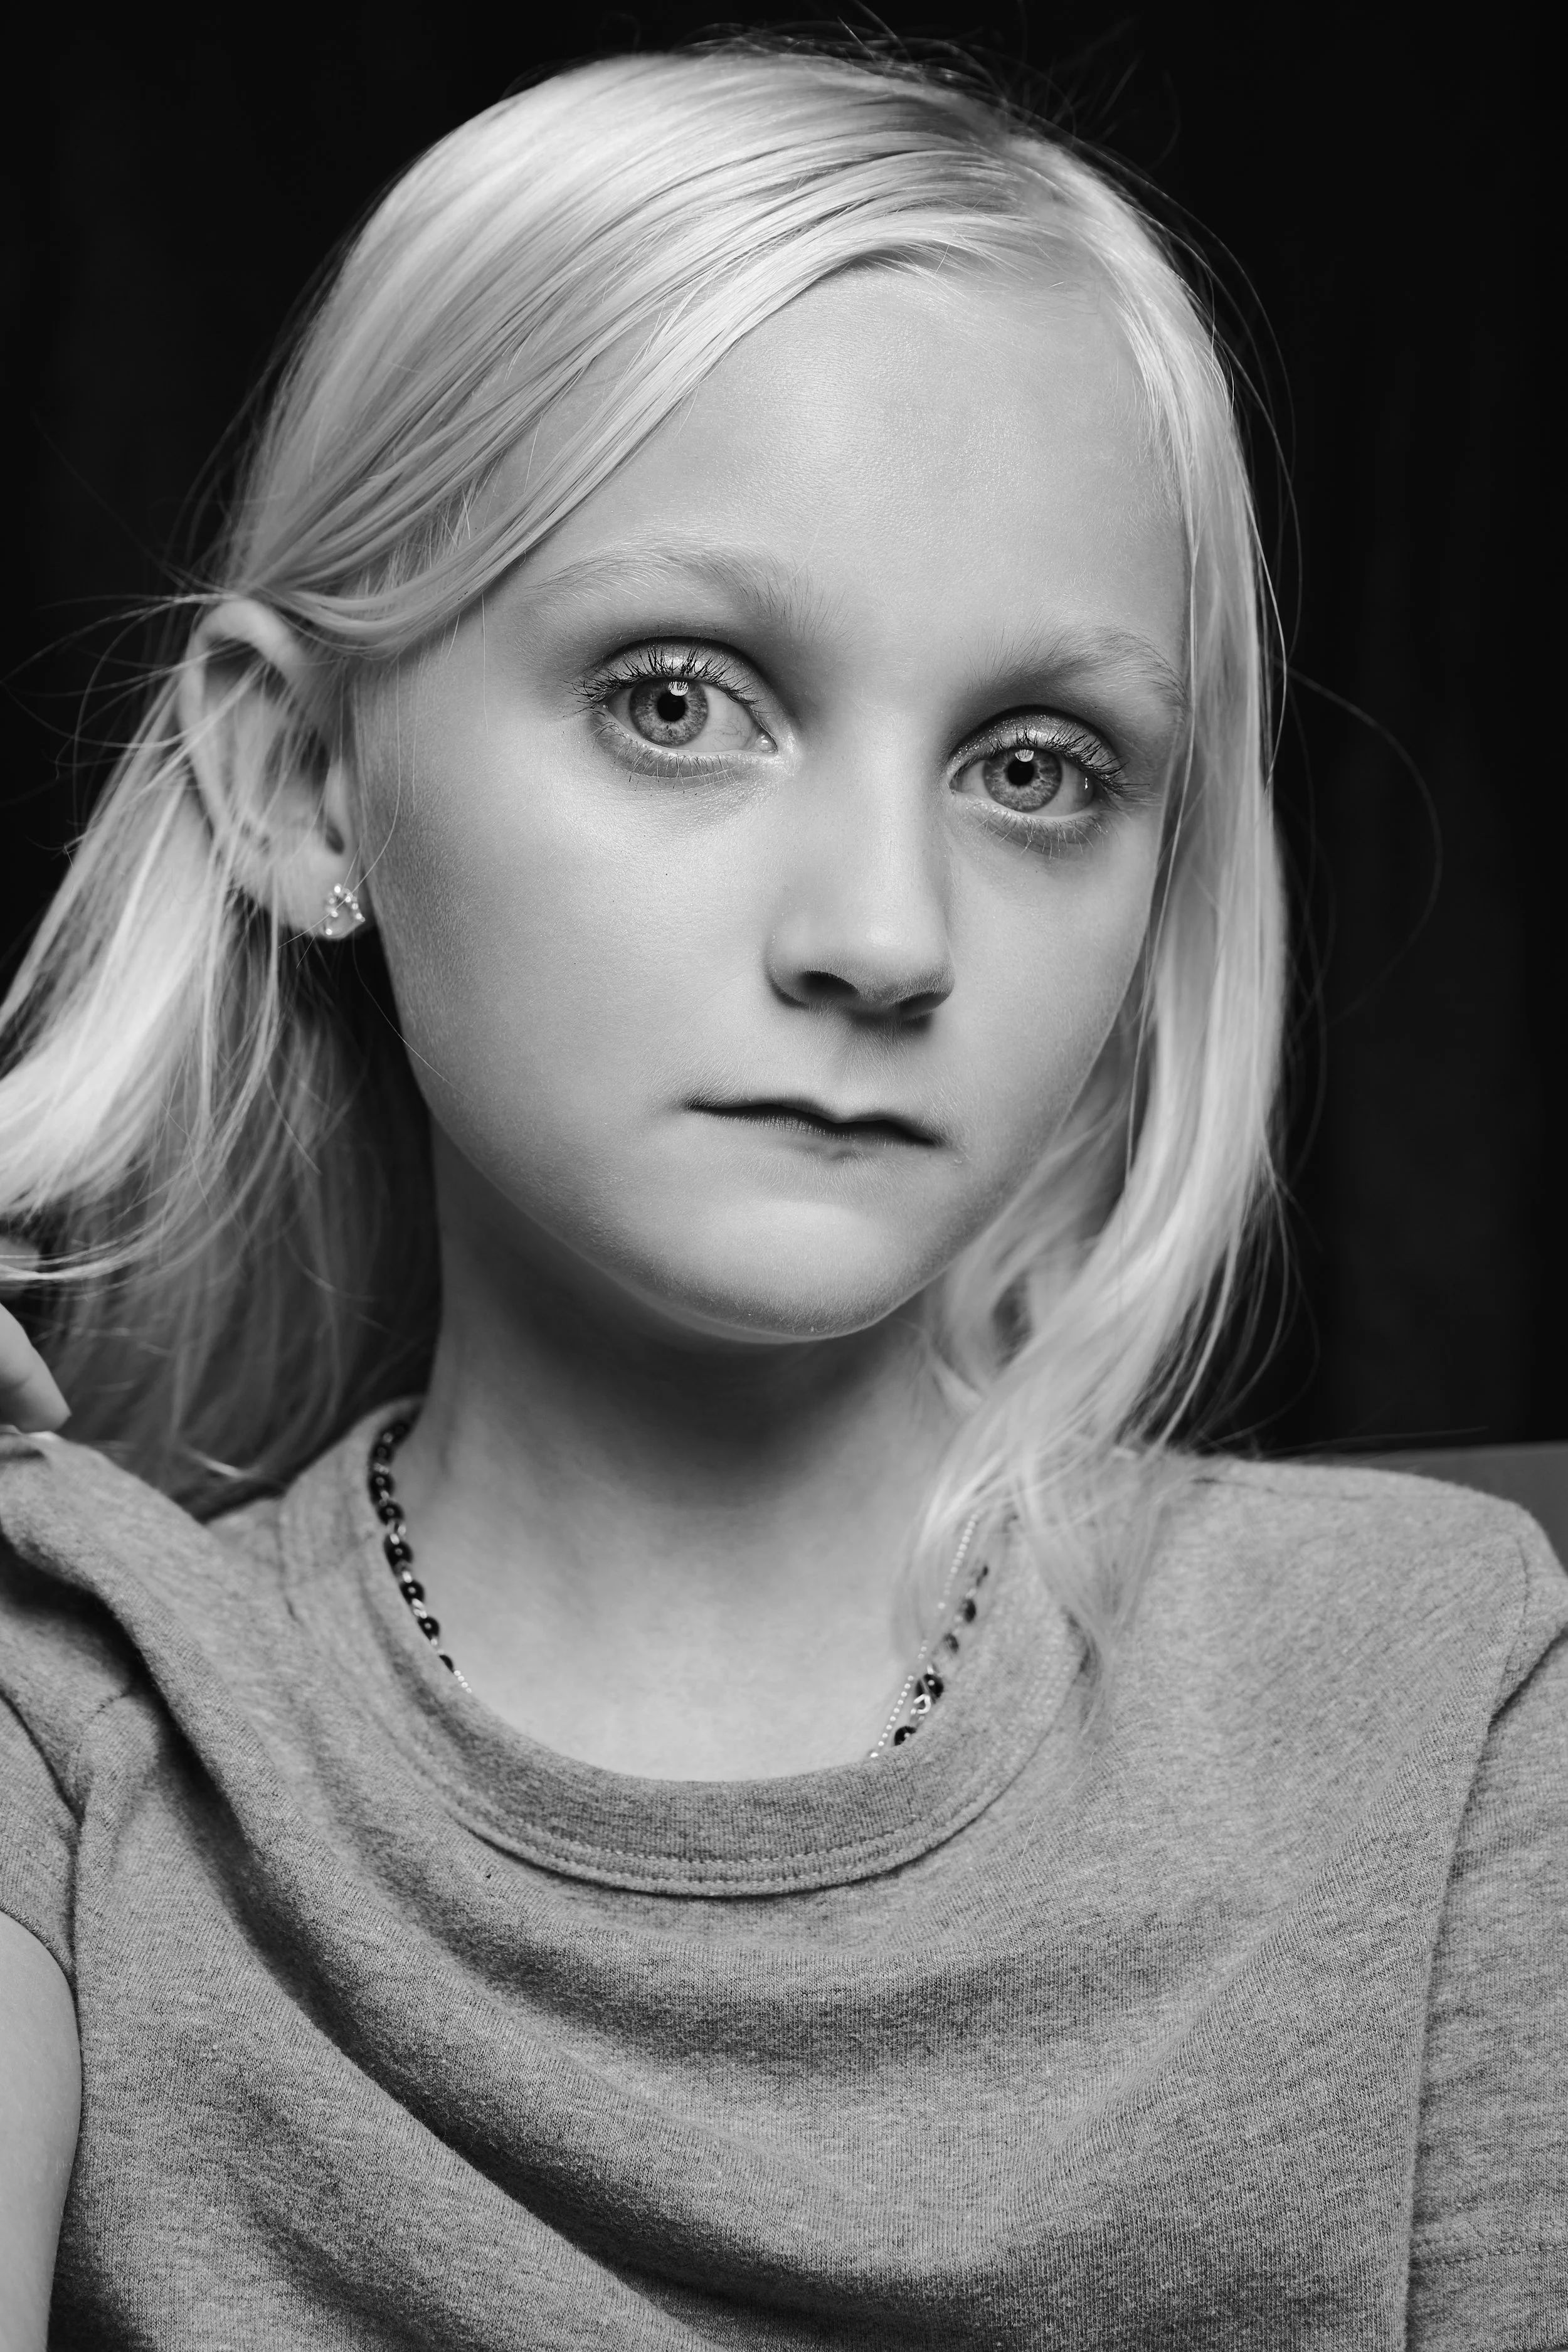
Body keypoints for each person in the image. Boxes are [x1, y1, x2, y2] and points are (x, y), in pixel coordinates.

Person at [0, 41, 1562, 2351]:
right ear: (299, 780)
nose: (883, 933)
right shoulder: (78, 1715)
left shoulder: (1438, 1693)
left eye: (1038, 768)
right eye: (674, 698)